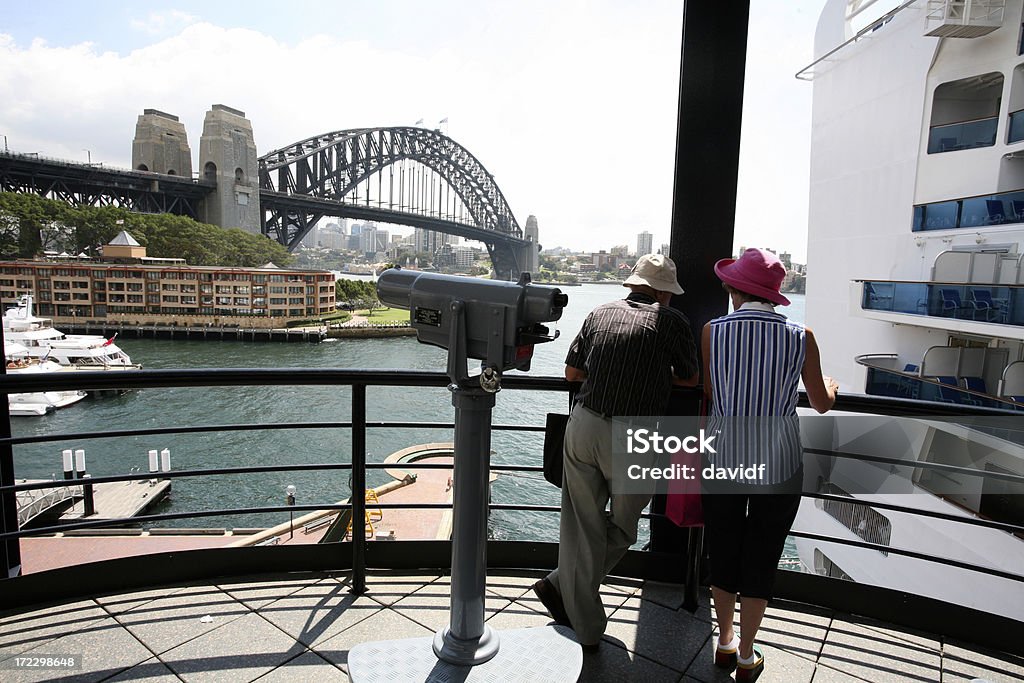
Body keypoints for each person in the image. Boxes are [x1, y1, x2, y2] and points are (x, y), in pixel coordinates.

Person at [532, 253, 699, 651]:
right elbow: (691, 378)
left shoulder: (599, 312)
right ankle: (580, 619)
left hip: (585, 423)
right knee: (623, 526)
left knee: (582, 526)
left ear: (633, 283)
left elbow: (572, 374)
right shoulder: (672, 322)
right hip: (636, 435)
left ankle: (563, 586)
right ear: (661, 291)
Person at [700, 248, 838, 682]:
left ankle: (722, 642)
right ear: (773, 294)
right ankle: (746, 653)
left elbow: (709, 388)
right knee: (762, 553)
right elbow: (818, 403)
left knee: (723, 545)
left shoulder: (711, 331)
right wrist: (830, 386)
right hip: (779, 460)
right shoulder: (801, 336)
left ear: (735, 289)